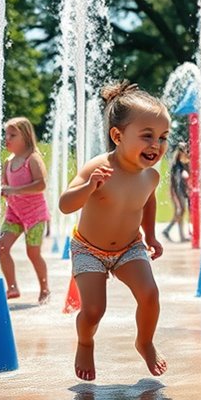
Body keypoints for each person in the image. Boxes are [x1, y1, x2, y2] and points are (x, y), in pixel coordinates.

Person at [59, 81, 169, 381]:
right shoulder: (99, 167)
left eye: (163, 137)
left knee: (150, 295)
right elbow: (65, 205)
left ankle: (144, 341)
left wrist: (151, 235)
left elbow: (147, 203)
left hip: (129, 248)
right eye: (147, 136)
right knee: (94, 310)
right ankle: (85, 341)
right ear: (117, 136)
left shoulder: (151, 177)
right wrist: (89, 185)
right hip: (89, 250)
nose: (156, 145)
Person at [0, 117, 51, 304]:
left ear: (26, 136)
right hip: (14, 213)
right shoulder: (8, 161)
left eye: (12, 135)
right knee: (2, 247)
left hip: (35, 214)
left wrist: (15, 191)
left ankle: (45, 288)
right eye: (6, 134)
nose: (7, 138)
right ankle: (12, 287)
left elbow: (41, 184)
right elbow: (4, 186)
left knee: (33, 253)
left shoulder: (32, 159)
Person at [162, 142, 190, 243]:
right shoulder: (176, 165)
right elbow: (176, 182)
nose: (187, 153)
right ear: (179, 152)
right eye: (184, 151)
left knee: (180, 212)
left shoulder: (183, 164)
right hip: (176, 191)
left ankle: (171, 232)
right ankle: (175, 233)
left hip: (180, 190)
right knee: (181, 211)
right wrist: (177, 195)